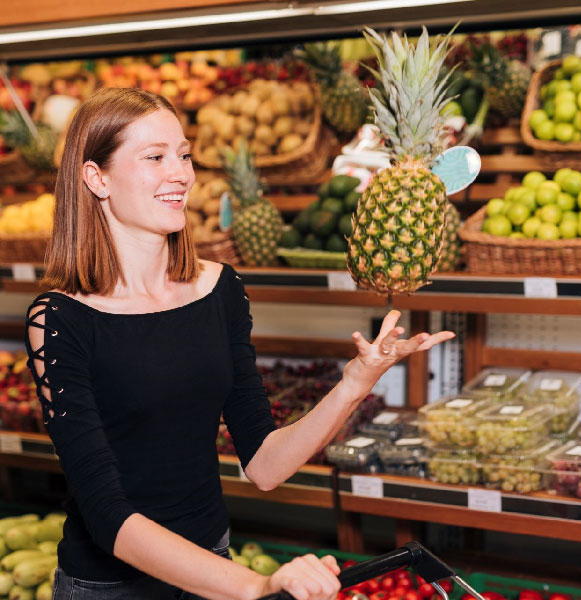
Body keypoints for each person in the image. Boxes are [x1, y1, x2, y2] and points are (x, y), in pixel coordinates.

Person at [24, 87, 454, 600]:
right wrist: (257, 584)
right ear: (97, 178)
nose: (180, 173)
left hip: (215, 564)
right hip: (110, 587)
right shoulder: (60, 319)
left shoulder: (219, 288)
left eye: (183, 155)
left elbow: (266, 467)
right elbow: (108, 517)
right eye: (155, 157)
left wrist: (354, 384)